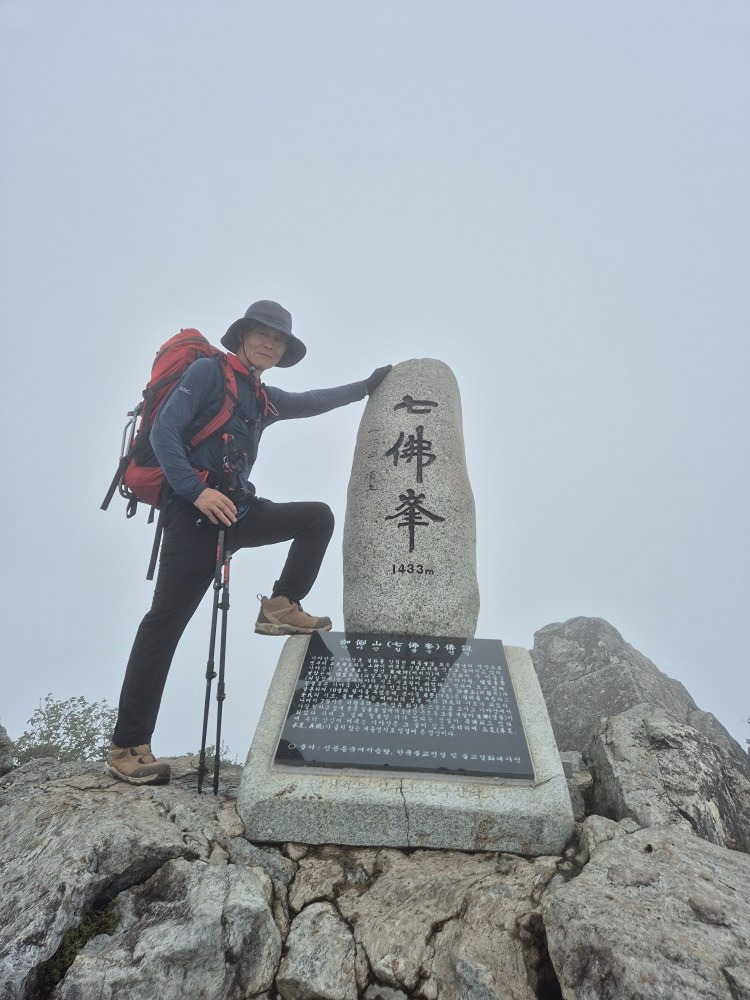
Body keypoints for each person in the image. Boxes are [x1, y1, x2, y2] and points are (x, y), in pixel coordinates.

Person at [107, 300, 391, 786]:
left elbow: (312, 401)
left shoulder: (261, 397)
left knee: (315, 518)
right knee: (165, 625)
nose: (269, 343)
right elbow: (167, 432)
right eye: (262, 333)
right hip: (195, 516)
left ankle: (281, 605)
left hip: (237, 510)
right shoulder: (207, 373)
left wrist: (365, 388)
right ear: (241, 335)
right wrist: (197, 493)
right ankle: (126, 745)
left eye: (278, 340)